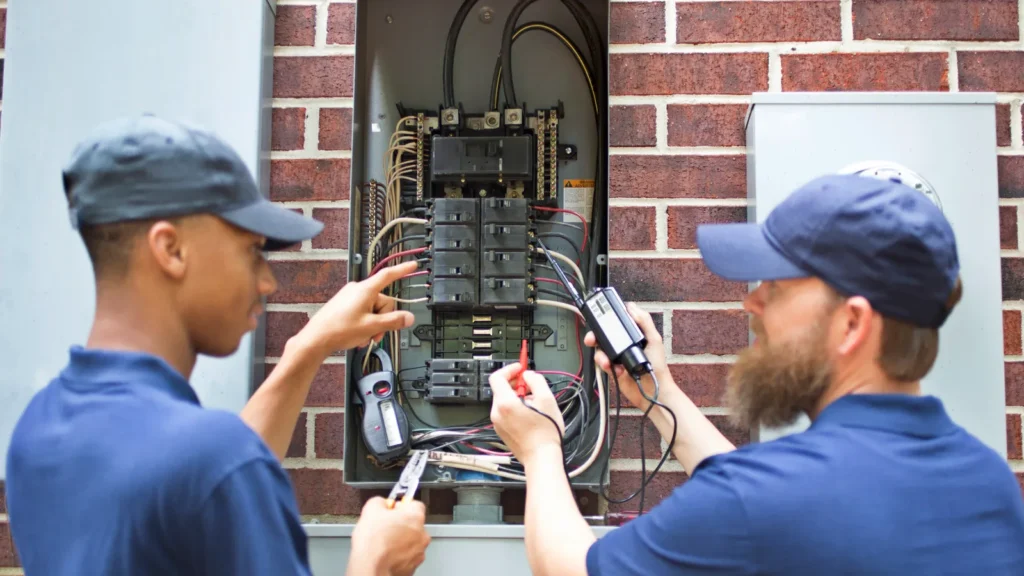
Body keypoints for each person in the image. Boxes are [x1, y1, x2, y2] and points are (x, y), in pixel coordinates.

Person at [488, 173, 1024, 575]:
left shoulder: (761, 501)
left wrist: (538, 448)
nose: (752, 302)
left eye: (777, 284)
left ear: (852, 323)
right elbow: (773, 496)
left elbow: (571, 567)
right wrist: (659, 394)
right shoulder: (989, 484)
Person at [4, 115, 431, 575]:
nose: (267, 281)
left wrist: (309, 346)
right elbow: (218, 472)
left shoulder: (38, 429)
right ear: (171, 250)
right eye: (251, 251)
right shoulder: (216, 462)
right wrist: (375, 562)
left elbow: (203, 485)